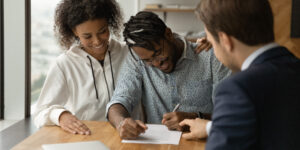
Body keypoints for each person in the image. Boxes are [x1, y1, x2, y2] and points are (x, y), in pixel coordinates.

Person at [180, 0, 300, 149]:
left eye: (211, 41)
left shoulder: (237, 88)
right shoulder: (293, 66)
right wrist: (214, 127)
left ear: (225, 40)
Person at [106, 11, 231, 139]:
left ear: (168, 34)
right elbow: (119, 100)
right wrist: (121, 123)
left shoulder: (210, 57)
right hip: (156, 144)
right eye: (148, 60)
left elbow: (229, 114)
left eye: (158, 53)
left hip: (205, 141)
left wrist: (195, 117)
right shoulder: (137, 60)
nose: (156, 63)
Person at [33, 0, 127, 135]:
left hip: (130, 138)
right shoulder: (64, 64)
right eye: (87, 36)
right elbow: (40, 112)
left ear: (109, 24)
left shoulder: (128, 53)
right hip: (87, 137)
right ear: (74, 32)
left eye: (102, 31)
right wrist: (61, 116)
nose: (97, 41)